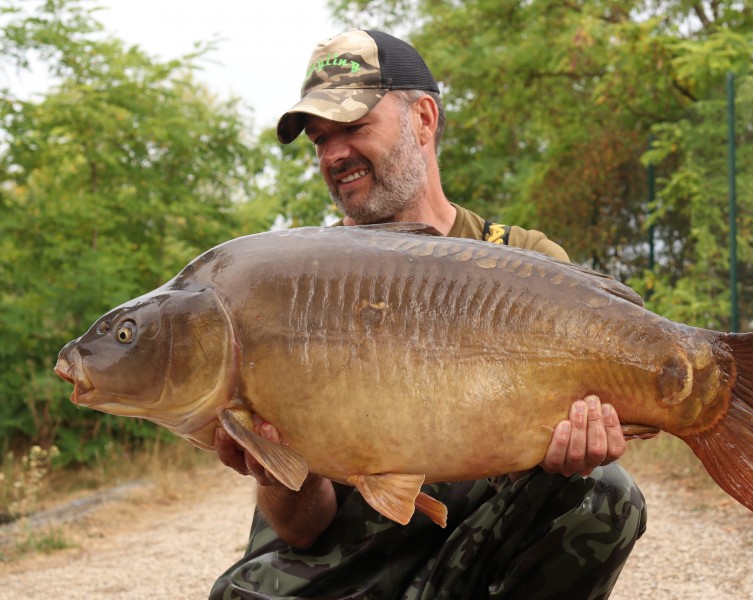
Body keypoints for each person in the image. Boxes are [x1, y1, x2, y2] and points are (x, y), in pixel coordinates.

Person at [210, 29, 646, 600]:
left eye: (353, 127)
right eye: (320, 139)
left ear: (423, 117)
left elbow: (554, 487)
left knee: (603, 493)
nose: (333, 154)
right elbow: (302, 528)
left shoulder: (526, 264)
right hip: (352, 566)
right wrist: (275, 474)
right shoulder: (294, 283)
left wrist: (570, 456)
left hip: (478, 555)